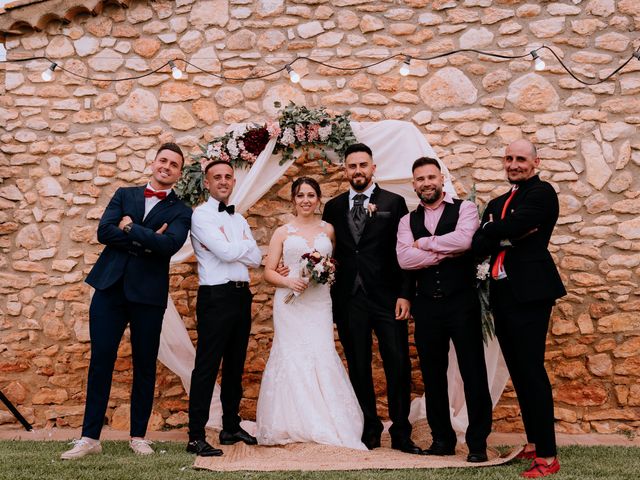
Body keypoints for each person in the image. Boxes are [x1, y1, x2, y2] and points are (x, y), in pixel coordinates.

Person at [61, 143, 192, 459]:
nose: (166, 167)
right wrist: (148, 239)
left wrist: (131, 228)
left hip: (148, 295)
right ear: (153, 163)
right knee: (101, 360)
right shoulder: (125, 194)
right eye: (163, 160)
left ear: (178, 173)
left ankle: (138, 436)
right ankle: (89, 438)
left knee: (145, 364)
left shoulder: (181, 210)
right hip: (109, 287)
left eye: (174, 164)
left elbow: (169, 246)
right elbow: (104, 232)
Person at [472, 139, 566, 478]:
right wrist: (502, 232)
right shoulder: (498, 201)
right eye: (509, 158)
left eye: (521, 159)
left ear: (535, 162)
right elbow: (480, 243)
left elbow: (501, 229)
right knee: (519, 372)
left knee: (532, 372)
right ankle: (535, 441)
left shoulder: (542, 194)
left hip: (531, 293)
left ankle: (548, 456)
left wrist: (497, 230)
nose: (514, 164)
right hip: (504, 295)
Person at [322, 143, 420, 454]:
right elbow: (328, 251)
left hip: (389, 298)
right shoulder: (333, 207)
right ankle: (370, 426)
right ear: (345, 171)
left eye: (363, 165)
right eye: (352, 166)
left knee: (398, 363)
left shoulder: (394, 202)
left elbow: (406, 252)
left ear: (373, 168)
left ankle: (401, 431)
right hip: (350, 299)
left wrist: (406, 294)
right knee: (359, 365)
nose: (358, 171)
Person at [256, 177, 367, 450]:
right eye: (300, 195)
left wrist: (326, 272)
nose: (305, 200)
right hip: (290, 302)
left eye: (311, 195)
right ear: (293, 200)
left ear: (318, 199)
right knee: (291, 355)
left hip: (319, 301)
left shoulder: (328, 230)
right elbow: (268, 271)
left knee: (321, 352)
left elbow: (337, 262)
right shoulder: (283, 232)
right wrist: (288, 281)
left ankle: (327, 421)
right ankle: (291, 422)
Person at [396, 157, 493, 462]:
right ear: (414, 185)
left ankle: (477, 443)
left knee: (472, 372)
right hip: (425, 307)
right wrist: (443, 251)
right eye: (420, 179)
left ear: (441, 179)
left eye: (431, 177)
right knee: (433, 375)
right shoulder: (406, 221)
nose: (426, 183)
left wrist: (423, 245)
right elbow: (403, 260)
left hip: (461, 303)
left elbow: (466, 240)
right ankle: (443, 440)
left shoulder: (463, 208)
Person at [185, 160, 262, 457]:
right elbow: (228, 252)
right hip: (215, 297)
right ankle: (195, 436)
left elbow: (255, 259)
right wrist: (241, 247)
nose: (223, 181)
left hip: (242, 296)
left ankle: (231, 425)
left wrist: (239, 248)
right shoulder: (200, 216)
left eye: (228, 177)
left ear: (233, 182)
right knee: (206, 367)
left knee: (235, 365)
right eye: (217, 177)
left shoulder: (239, 218)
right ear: (207, 183)